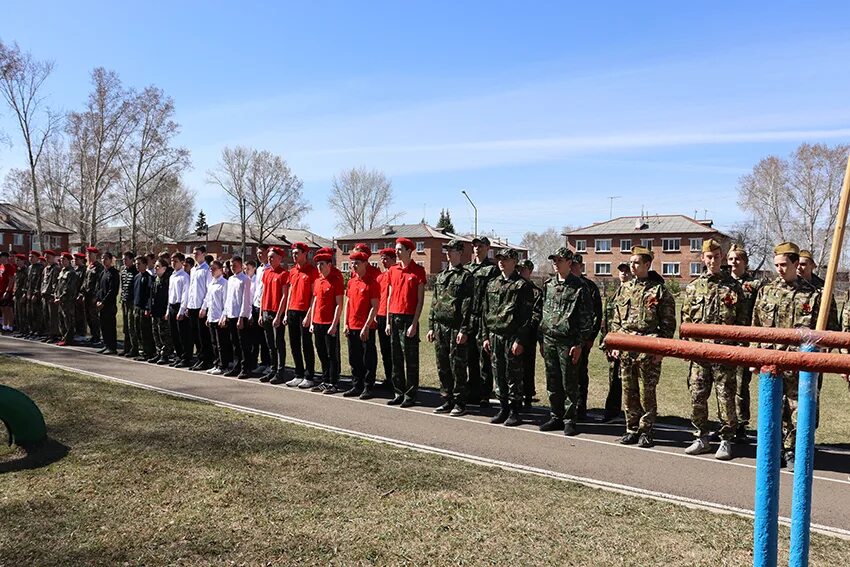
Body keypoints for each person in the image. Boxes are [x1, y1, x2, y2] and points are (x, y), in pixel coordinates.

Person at [752, 242, 822, 472]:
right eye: (776, 265)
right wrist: (755, 357)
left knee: (800, 410)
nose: (779, 269)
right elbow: (756, 327)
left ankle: (795, 450)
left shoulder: (813, 295)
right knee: (774, 408)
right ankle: (777, 449)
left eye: (784, 265)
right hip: (773, 362)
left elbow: (827, 331)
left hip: (801, 365)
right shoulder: (766, 291)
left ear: (795, 263)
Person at [680, 240, 747, 461]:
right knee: (697, 396)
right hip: (700, 354)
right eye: (708, 257)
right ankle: (701, 437)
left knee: (725, 397)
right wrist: (688, 348)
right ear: (702, 258)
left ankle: (726, 439)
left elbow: (742, 322)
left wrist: (737, 351)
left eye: (716, 257)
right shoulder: (693, 287)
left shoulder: (734, 287)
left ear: (722, 257)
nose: (712, 261)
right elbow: (686, 320)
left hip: (724, 353)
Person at [606, 246, 676, 448]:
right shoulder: (624, 288)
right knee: (629, 391)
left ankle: (646, 430)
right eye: (631, 262)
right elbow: (617, 320)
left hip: (648, 348)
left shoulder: (659, 290)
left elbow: (668, 324)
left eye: (637, 262)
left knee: (647, 392)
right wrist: (615, 343)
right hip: (627, 348)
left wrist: (660, 350)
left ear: (647, 264)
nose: (632, 266)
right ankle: (632, 428)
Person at [538, 247, 595, 436]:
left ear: (569, 263)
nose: (555, 263)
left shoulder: (580, 286)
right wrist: (542, 339)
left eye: (559, 260)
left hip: (568, 342)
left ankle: (570, 419)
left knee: (569, 382)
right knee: (552, 380)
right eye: (554, 260)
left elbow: (586, 318)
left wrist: (579, 343)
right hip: (550, 339)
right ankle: (556, 415)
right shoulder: (548, 285)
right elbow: (542, 313)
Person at [481, 248, 536, 426]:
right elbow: (485, 311)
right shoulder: (493, 284)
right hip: (495, 336)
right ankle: (503, 407)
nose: (501, 262)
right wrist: (486, 336)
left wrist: (520, 340)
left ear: (514, 262)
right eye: (500, 259)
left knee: (513, 375)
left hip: (512, 337)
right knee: (498, 373)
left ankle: (515, 411)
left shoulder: (522, 286)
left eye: (505, 259)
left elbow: (526, 317)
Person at [428, 239, 474, 416]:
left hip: (456, 328)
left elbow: (467, 306)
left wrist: (464, 330)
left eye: (452, 250)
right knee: (443, 365)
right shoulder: (441, 276)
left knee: (458, 366)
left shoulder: (466, 276)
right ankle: (447, 399)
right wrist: (431, 326)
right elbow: (434, 302)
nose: (448, 253)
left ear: (460, 252)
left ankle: (460, 402)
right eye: (446, 250)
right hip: (440, 327)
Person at [726, 244, 763, 442]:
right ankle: (726, 423)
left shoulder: (754, 285)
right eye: (730, 259)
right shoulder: (723, 283)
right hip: (725, 342)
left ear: (745, 262)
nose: (733, 263)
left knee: (740, 386)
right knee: (724, 386)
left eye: (737, 259)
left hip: (744, 343)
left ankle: (741, 424)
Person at [385, 237, 427, 407]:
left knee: (410, 360)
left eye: (400, 249)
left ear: (409, 251)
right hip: (394, 318)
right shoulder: (393, 270)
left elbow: (420, 300)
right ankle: (398, 392)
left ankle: (410, 395)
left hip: (409, 318)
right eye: (396, 249)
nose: (397, 251)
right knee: (396, 359)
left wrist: (414, 323)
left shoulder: (418, 271)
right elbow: (389, 296)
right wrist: (388, 321)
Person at [465, 236, 499, 407]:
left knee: (484, 357)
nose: (477, 249)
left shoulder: (492, 270)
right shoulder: (467, 269)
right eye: (475, 246)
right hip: (469, 317)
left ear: (488, 248)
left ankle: (485, 393)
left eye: (480, 246)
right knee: (470, 355)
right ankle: (472, 390)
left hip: (484, 317)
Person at [343, 251, 380, 399]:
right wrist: (345, 323)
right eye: (352, 263)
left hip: (366, 327)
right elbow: (348, 302)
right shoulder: (352, 282)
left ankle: (368, 387)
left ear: (365, 263)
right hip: (352, 326)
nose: (354, 266)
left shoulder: (372, 282)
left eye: (357, 263)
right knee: (354, 358)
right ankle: (356, 385)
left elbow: (375, 306)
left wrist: (366, 325)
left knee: (368, 359)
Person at [570, 254, 602, 421]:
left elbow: (597, 315)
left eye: (576, 265)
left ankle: (581, 407)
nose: (573, 267)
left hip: (582, 339)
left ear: (581, 267)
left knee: (581, 374)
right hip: (564, 339)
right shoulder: (562, 284)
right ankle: (566, 407)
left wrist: (590, 338)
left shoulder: (589, 287)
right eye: (571, 264)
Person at [308, 251, 345, 393]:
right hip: (317, 322)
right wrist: (311, 321)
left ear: (329, 265)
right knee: (322, 352)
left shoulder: (336, 280)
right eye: (317, 264)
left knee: (332, 354)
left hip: (330, 323)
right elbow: (315, 301)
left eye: (322, 264)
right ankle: (325, 379)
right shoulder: (318, 281)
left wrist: (334, 324)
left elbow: (339, 304)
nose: (319, 267)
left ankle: (333, 382)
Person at [599, 262, 631, 421]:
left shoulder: (633, 293)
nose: (624, 273)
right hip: (614, 346)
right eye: (621, 271)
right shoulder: (613, 295)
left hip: (630, 345)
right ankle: (612, 411)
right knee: (614, 380)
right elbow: (605, 320)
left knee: (632, 383)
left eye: (627, 271)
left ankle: (633, 416)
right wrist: (606, 344)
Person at [284, 242, 318, 387]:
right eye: (293, 253)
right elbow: (290, 292)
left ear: (305, 254)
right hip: (292, 310)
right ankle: (298, 373)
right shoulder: (292, 271)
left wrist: (309, 314)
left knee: (306, 344)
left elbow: (313, 295)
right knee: (294, 343)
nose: (294, 255)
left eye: (297, 253)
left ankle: (309, 375)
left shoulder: (312, 271)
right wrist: (286, 313)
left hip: (304, 311)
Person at [180, 245, 214, 371]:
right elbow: (191, 290)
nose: (195, 255)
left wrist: (204, 307)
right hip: (193, 306)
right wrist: (188, 306)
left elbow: (208, 290)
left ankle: (207, 359)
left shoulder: (207, 270)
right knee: (195, 334)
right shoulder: (193, 270)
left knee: (203, 336)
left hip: (201, 307)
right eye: (194, 253)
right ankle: (200, 358)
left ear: (204, 254)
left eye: (197, 253)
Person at [260, 246, 290, 384]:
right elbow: (263, 293)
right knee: (270, 343)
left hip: (276, 311)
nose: (270, 259)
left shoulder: (283, 274)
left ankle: (280, 371)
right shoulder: (266, 272)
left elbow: (285, 296)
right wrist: (261, 313)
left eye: (273, 256)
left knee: (279, 343)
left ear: (280, 258)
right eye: (269, 256)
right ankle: (272, 370)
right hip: (266, 310)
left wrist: (279, 315)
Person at [518, 258, 543, 410]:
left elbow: (537, 314)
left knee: (527, 366)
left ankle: (527, 395)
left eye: (524, 269)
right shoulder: (514, 287)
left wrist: (527, 328)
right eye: (519, 268)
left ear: (530, 271)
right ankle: (515, 395)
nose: (521, 271)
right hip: (515, 334)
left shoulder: (536, 291)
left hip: (529, 335)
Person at [223, 256, 252, 378]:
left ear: (240, 265)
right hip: (231, 314)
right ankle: (236, 366)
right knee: (234, 343)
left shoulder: (245, 279)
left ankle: (246, 368)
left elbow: (246, 300)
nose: (232, 267)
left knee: (243, 343)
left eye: (234, 265)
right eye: (231, 265)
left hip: (240, 316)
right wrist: (225, 314)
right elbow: (228, 299)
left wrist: (242, 317)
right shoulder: (230, 279)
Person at [201, 260, 230, 375]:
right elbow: (209, 300)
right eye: (211, 269)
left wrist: (223, 316)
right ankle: (216, 363)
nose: (211, 271)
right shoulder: (212, 283)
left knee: (221, 343)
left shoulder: (224, 283)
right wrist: (208, 316)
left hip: (219, 317)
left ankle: (223, 365)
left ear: (220, 270)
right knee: (213, 342)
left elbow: (226, 302)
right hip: (212, 316)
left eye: (213, 269)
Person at [375, 248, 396, 388]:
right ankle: (389, 378)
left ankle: (396, 379)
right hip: (381, 315)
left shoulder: (395, 274)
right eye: (382, 258)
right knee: (384, 350)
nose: (384, 261)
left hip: (392, 315)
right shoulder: (380, 277)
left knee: (394, 351)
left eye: (386, 258)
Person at [249, 244, 271, 373]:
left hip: (266, 307)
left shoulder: (269, 269)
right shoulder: (259, 269)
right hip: (256, 305)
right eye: (258, 253)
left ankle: (269, 363)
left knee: (266, 337)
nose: (259, 255)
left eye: (262, 252)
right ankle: (262, 362)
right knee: (258, 337)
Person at [149, 257, 174, 364]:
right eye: (155, 266)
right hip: (155, 310)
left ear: (164, 268)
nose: (155, 268)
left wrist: (167, 311)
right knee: (156, 332)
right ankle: (159, 352)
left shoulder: (168, 280)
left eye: (158, 266)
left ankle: (165, 354)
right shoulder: (155, 279)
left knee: (164, 333)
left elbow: (168, 297)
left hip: (163, 310)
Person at [96, 252, 120, 355]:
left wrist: (104, 302)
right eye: (102, 258)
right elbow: (99, 288)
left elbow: (112, 291)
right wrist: (98, 299)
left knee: (110, 326)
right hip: (101, 304)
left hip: (109, 305)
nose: (104, 260)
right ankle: (106, 345)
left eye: (106, 258)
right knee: (104, 326)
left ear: (111, 260)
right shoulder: (103, 272)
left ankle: (112, 347)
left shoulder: (114, 273)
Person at [168, 253, 190, 367]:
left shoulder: (184, 276)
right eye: (172, 260)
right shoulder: (172, 276)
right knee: (174, 334)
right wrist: (168, 310)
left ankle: (186, 357)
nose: (173, 263)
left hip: (179, 306)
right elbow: (170, 294)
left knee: (183, 334)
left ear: (182, 263)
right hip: (172, 306)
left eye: (175, 261)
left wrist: (181, 311)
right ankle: (179, 355)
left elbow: (185, 295)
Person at [132, 255, 155, 361]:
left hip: (144, 308)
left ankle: (148, 352)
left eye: (139, 264)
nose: (137, 266)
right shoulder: (136, 277)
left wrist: (147, 308)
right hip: (136, 307)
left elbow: (149, 294)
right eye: (136, 264)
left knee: (145, 330)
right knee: (137, 330)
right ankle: (142, 351)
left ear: (145, 265)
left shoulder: (149, 278)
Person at [54, 252, 80, 347]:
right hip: (60, 301)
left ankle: (69, 339)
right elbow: (58, 286)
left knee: (68, 320)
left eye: (63, 259)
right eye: (60, 259)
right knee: (61, 320)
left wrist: (61, 298)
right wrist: (56, 296)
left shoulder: (71, 273)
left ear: (69, 261)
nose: (61, 261)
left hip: (68, 301)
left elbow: (69, 288)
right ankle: (63, 337)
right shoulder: (62, 271)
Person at [81, 246, 104, 345]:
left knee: (94, 317)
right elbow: (85, 281)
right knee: (88, 316)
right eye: (87, 254)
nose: (89, 256)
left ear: (95, 255)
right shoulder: (88, 266)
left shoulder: (99, 267)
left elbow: (99, 283)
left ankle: (97, 336)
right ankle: (93, 335)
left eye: (90, 254)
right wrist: (81, 293)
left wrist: (96, 296)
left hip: (93, 296)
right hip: (86, 295)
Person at [119, 251, 139, 357]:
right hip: (125, 300)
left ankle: (134, 348)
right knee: (126, 326)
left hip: (132, 301)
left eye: (126, 259)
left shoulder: (135, 271)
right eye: (123, 259)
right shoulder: (123, 270)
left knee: (132, 326)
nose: (124, 261)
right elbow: (122, 285)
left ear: (132, 260)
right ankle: (126, 347)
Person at [40, 250, 60, 344]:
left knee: (53, 316)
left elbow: (55, 283)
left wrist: (53, 294)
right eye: (45, 257)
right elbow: (43, 282)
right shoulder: (45, 269)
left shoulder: (55, 268)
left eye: (48, 257)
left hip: (51, 295)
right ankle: (48, 333)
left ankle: (54, 334)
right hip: (44, 294)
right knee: (46, 315)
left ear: (53, 257)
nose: (47, 259)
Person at [25, 250, 44, 338]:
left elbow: (39, 282)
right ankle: (31, 330)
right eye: (29, 257)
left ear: (37, 258)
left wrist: (36, 294)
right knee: (29, 313)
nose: (30, 258)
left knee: (37, 313)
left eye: (32, 257)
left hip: (36, 294)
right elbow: (27, 281)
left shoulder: (40, 268)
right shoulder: (29, 268)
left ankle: (38, 331)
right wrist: (26, 292)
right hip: (29, 293)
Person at [12, 253, 28, 337]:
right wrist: (14, 293)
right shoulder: (17, 270)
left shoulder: (26, 271)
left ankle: (24, 330)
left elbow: (26, 284)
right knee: (17, 313)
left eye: (18, 260)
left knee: (22, 313)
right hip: (17, 294)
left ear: (23, 261)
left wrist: (24, 294)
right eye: (16, 260)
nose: (17, 262)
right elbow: (16, 283)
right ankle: (19, 329)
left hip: (22, 294)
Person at [0, 252, 16, 331]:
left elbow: (11, 280)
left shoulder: (10, 267)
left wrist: (8, 290)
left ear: (6, 258)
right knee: (3, 308)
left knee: (8, 309)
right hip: (1, 290)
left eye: (2, 258)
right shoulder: (1, 266)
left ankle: (10, 326)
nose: (1, 259)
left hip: (7, 291)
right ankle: (4, 325)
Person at [73, 252, 87, 337]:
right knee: (75, 315)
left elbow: (84, 283)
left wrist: (81, 294)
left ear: (81, 260)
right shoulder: (75, 270)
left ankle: (82, 333)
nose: (75, 261)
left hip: (80, 295)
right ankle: (77, 332)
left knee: (81, 315)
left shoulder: (84, 270)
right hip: (74, 295)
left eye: (77, 259)